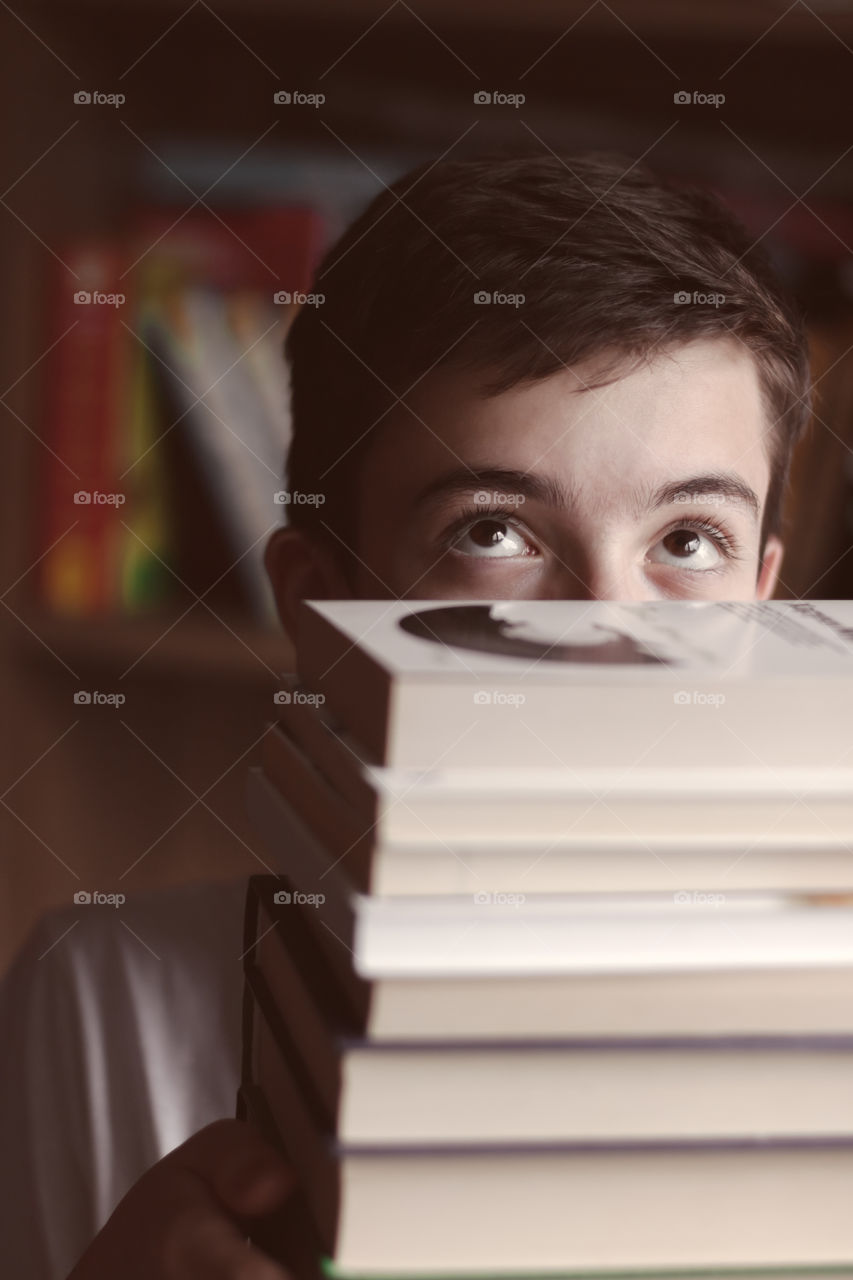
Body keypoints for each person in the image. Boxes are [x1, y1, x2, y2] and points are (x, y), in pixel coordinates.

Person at [1, 149, 811, 1279]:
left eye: (686, 541)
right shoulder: (110, 992)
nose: (614, 634)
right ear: (321, 608)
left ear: (765, 600)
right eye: (494, 531)